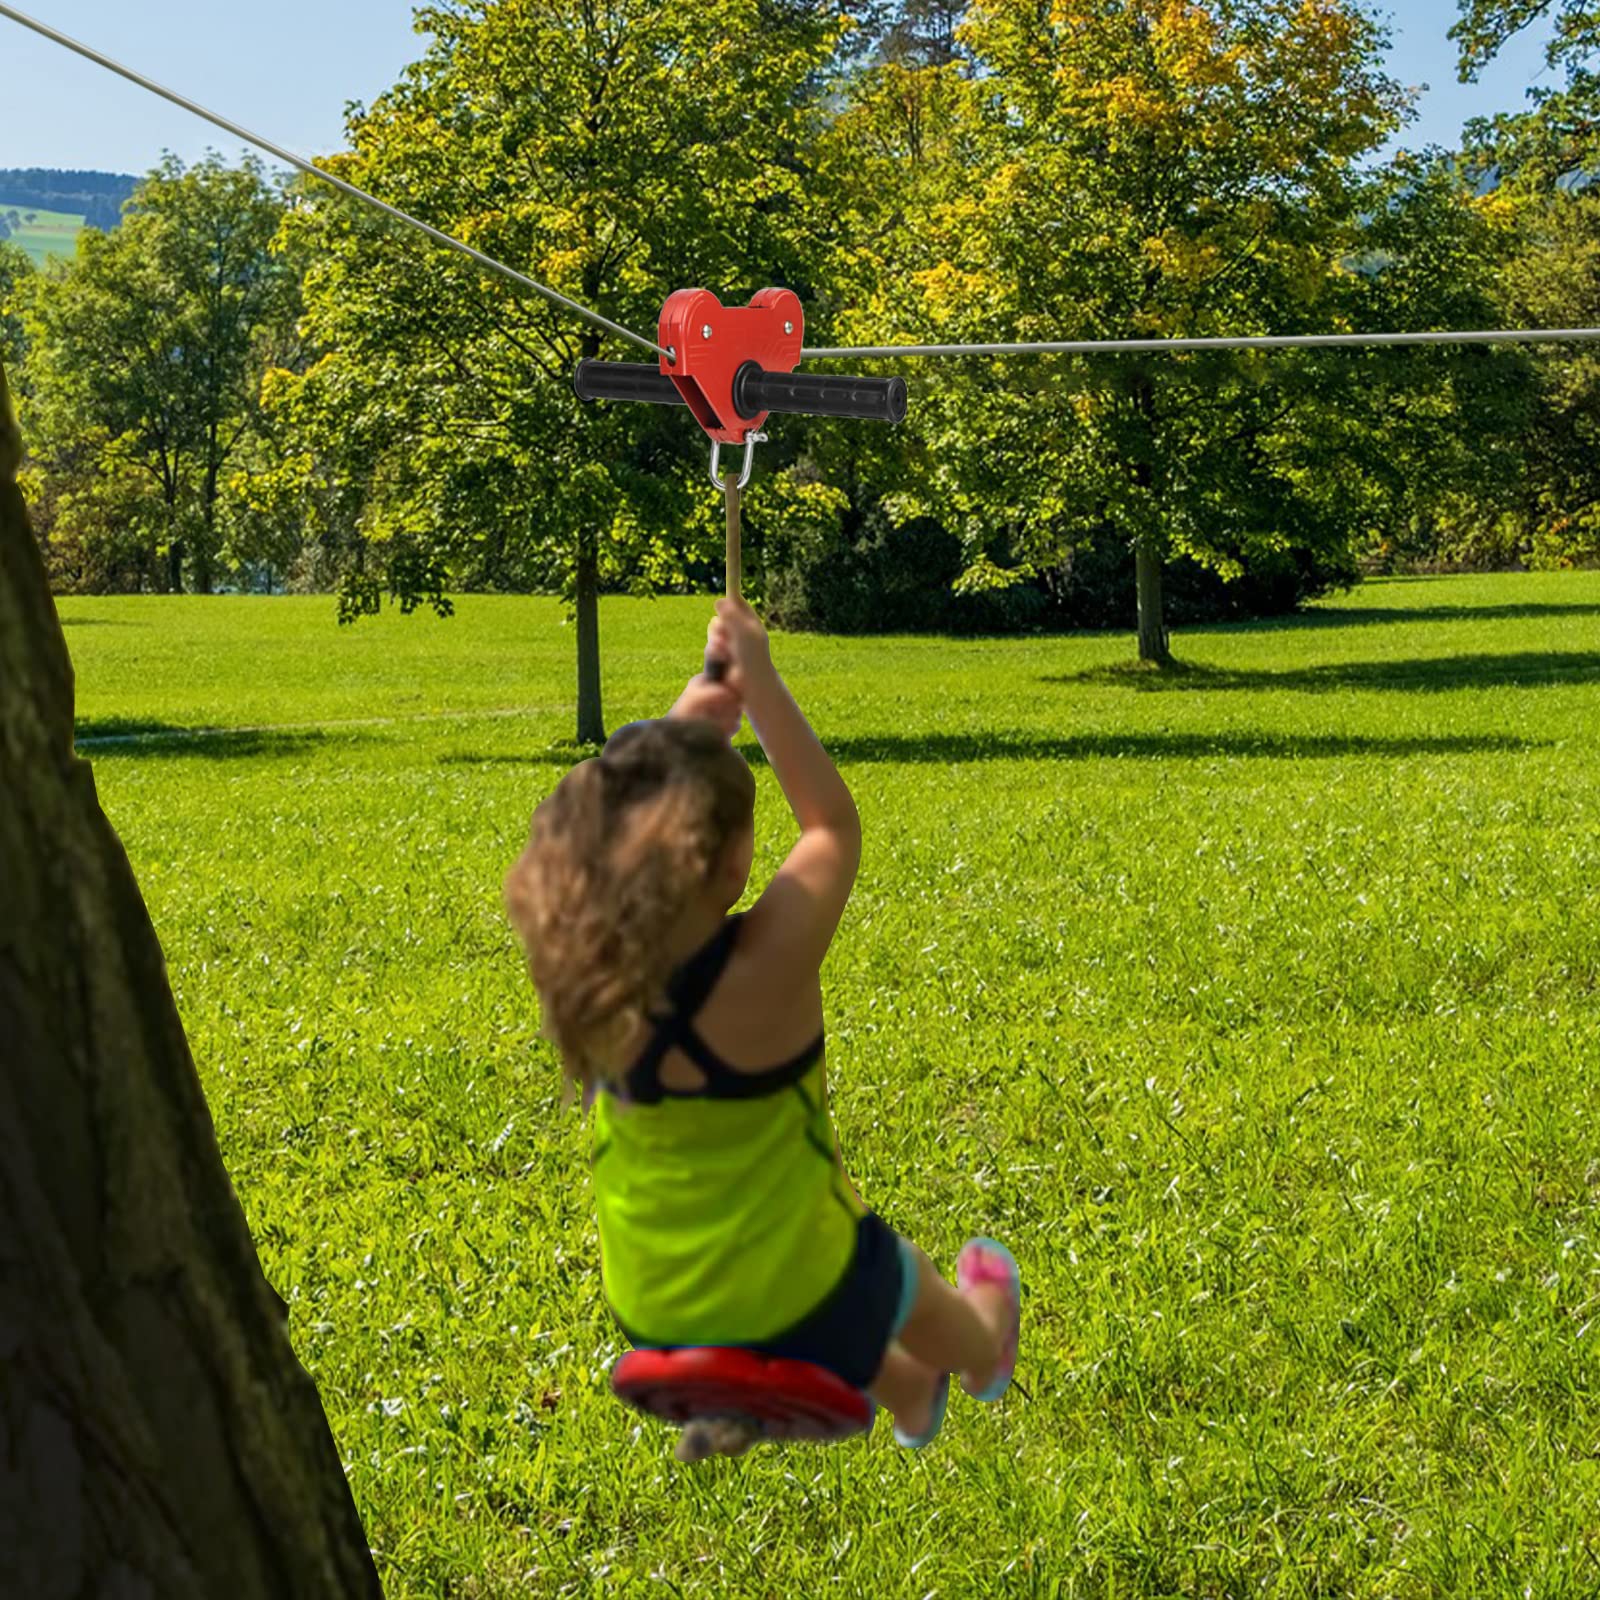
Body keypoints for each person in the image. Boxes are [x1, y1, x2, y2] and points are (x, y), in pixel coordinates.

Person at [504, 597, 1020, 1458]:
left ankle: (907, 1393)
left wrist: (691, 721)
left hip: (655, 1308)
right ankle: (978, 1344)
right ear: (737, 861)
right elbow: (832, 825)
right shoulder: (764, 971)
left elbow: (612, 831)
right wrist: (763, 685)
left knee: (807, 1279)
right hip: (801, 1288)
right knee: (892, 1276)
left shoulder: (583, 978)